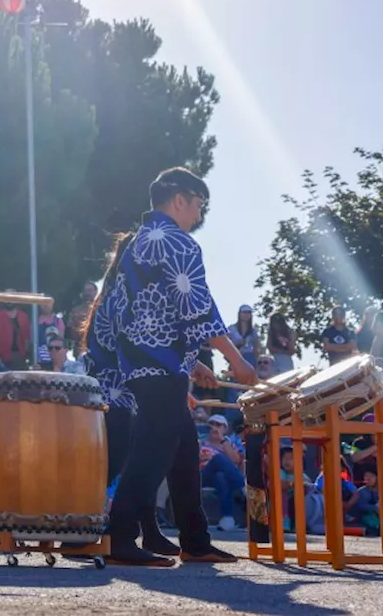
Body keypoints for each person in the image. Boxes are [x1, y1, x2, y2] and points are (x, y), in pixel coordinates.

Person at [97, 167, 257, 566]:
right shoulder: (177, 241)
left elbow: (131, 309)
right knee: (154, 446)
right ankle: (118, 536)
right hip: (158, 360)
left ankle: (195, 539)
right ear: (180, 199)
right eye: (198, 205)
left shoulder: (135, 244)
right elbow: (197, 306)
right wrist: (234, 358)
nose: (198, 215)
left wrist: (191, 360)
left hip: (140, 357)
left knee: (184, 448)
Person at [81, 234, 177, 560]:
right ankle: (94, 534)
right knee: (124, 462)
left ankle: (147, 531)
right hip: (116, 393)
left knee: (134, 460)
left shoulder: (115, 294)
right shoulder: (122, 297)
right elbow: (135, 346)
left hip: (114, 391)